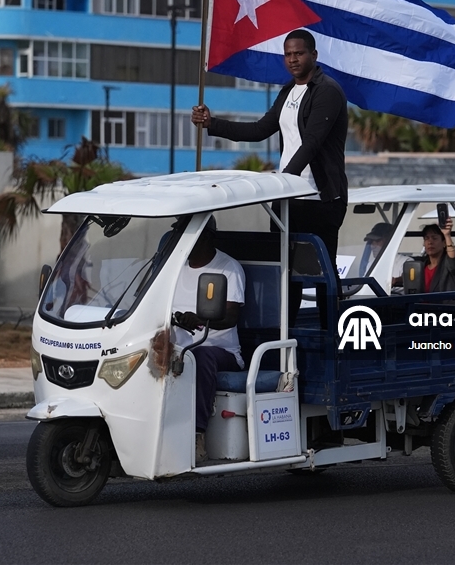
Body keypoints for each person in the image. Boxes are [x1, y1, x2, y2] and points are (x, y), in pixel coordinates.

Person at [192, 29, 348, 326]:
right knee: (285, 273)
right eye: (288, 54)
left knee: (323, 274)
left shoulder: (327, 91)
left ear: (314, 55)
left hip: (321, 199)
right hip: (289, 199)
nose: (293, 59)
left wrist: (282, 183)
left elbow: (312, 144)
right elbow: (259, 130)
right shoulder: (288, 91)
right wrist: (213, 123)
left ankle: (332, 339)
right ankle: (286, 338)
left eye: (299, 53)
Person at [170, 218, 245, 464]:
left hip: (220, 351)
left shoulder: (228, 268)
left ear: (205, 236)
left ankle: (196, 435)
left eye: (187, 233)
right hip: (178, 347)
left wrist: (200, 319)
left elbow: (231, 317)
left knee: (199, 356)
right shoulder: (173, 266)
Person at [417, 218, 455, 293]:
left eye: (434, 238)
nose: (430, 242)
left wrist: (447, 235)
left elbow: (453, 261)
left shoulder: (448, 265)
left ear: (444, 243)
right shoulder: (422, 265)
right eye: (427, 238)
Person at [360, 222, 408, 287]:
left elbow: (408, 277)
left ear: (390, 241)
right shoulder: (371, 264)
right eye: (371, 242)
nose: (372, 246)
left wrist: (396, 280)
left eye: (377, 241)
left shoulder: (405, 261)